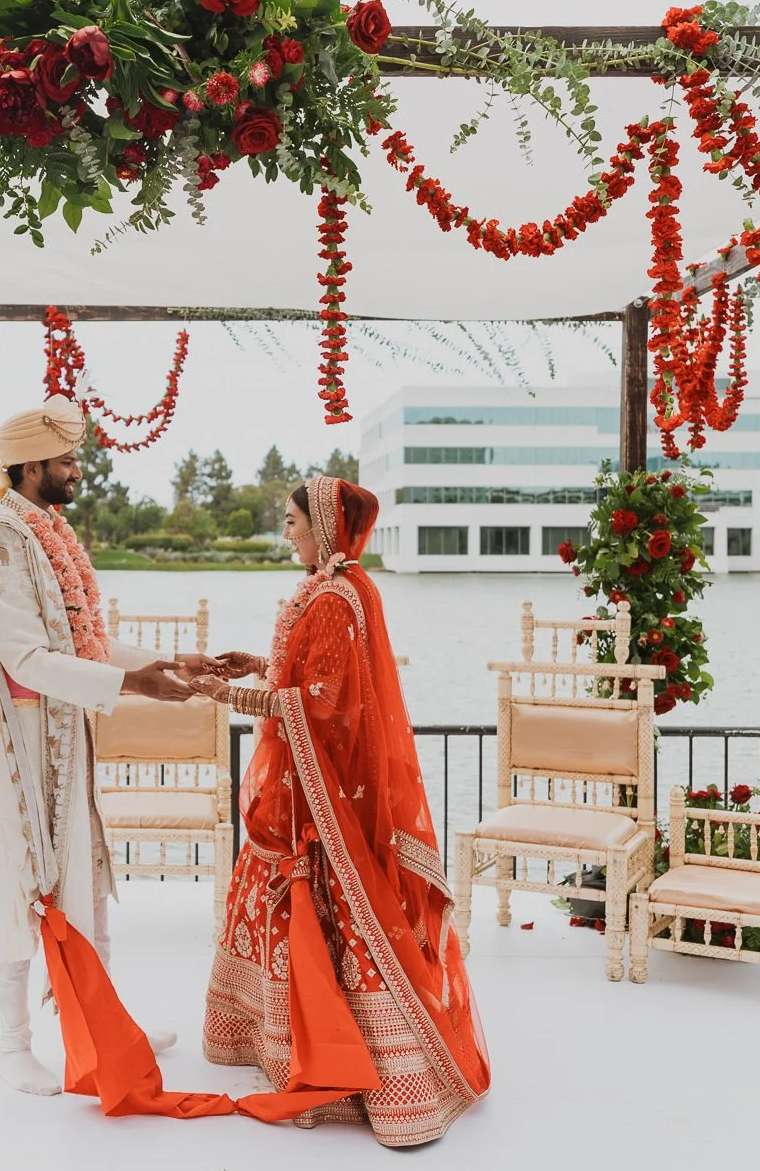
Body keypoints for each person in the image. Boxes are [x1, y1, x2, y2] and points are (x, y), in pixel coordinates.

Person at [188, 477, 492, 1147]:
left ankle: (355, 1066)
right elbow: (309, 677)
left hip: (317, 801)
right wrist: (259, 666)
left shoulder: (335, 595)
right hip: (304, 787)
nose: (287, 531)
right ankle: (281, 1040)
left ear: (324, 526)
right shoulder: (337, 587)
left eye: (294, 520)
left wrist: (232, 697)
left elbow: (323, 705)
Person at [0, 395, 202, 1096]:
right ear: (29, 466)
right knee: (24, 881)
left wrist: (169, 665)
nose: (76, 470)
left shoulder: (44, 528)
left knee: (85, 877)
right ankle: (11, 1042)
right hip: (19, 740)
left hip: (63, 728)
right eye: (66, 460)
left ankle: (111, 1023)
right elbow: (25, 657)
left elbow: (80, 641)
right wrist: (129, 682)